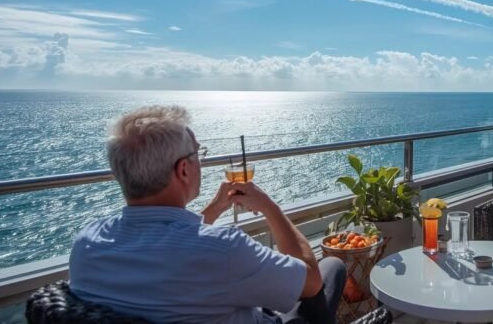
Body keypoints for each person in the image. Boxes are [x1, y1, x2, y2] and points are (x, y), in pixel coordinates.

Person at [69, 106, 345, 324]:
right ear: (184, 170)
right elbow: (310, 282)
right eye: (197, 153)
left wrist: (214, 209)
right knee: (331, 268)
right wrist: (269, 208)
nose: (200, 160)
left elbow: (173, 247)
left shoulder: (87, 244)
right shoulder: (224, 249)